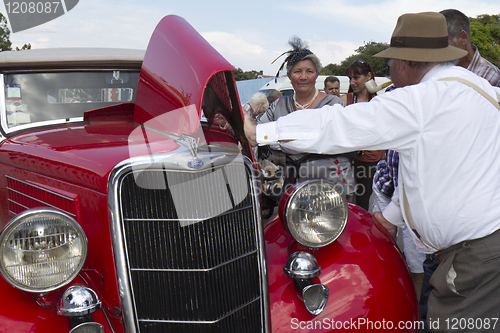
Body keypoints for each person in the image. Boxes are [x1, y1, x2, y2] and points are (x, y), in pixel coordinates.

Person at [245, 12, 500, 332]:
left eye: (391, 61)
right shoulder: (478, 89)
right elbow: (433, 170)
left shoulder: (422, 99)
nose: (388, 70)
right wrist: (392, 217)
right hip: (476, 250)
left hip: (475, 255)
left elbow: (341, 125)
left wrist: (260, 133)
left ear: (405, 61)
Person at [257, 36, 355, 199]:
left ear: (316, 74)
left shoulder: (333, 104)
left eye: (309, 71)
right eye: (297, 71)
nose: (303, 77)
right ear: (289, 75)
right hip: (295, 184)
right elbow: (258, 132)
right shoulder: (278, 106)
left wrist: (282, 139)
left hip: (333, 185)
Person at [340, 59, 384, 210]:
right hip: (347, 160)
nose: (352, 82)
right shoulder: (344, 100)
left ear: (369, 76)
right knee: (344, 202)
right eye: (350, 78)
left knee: (362, 203)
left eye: (356, 78)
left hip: (370, 162)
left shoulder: (379, 103)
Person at [440, 9, 500, 87]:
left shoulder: (490, 76)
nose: (437, 48)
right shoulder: (437, 68)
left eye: (442, 42)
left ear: (463, 38)